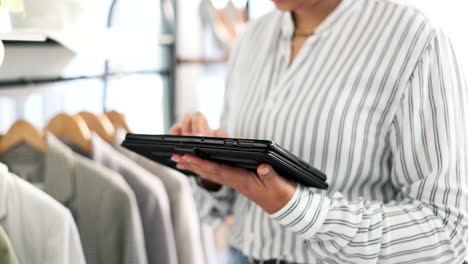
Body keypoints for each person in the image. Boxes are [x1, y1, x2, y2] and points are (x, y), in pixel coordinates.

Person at [170, 0, 468, 263]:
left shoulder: (415, 39)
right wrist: (211, 175)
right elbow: (224, 208)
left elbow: (448, 232)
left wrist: (296, 207)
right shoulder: (251, 38)